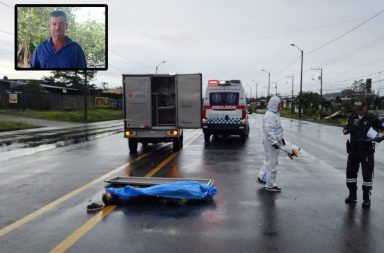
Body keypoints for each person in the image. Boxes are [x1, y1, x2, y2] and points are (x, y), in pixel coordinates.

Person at [343, 101, 384, 208]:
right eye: (357, 108)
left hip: (366, 151)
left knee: (367, 176)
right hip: (353, 150)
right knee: (350, 175)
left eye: (360, 108)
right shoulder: (352, 116)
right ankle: (352, 195)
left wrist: (380, 137)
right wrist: (345, 130)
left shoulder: (372, 118)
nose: (358, 110)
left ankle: (366, 199)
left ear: (366, 107)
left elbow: (382, 129)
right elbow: (347, 128)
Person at [257, 96, 285, 192]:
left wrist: (281, 139)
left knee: (268, 161)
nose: (280, 106)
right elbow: (268, 130)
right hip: (271, 142)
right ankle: (270, 185)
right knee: (273, 163)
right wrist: (274, 142)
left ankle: (262, 178)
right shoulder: (270, 115)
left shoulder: (275, 114)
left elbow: (277, 129)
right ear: (274, 104)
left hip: (273, 141)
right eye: (279, 104)